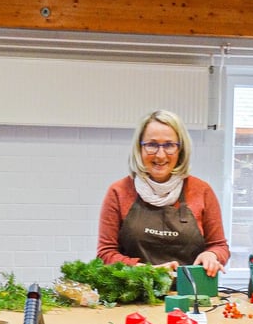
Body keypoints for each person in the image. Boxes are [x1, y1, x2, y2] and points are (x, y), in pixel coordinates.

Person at [97, 109, 230, 277]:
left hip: (192, 296)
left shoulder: (202, 191)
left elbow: (220, 246)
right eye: (152, 145)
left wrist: (212, 255)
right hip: (134, 298)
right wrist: (146, 272)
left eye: (169, 145)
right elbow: (105, 254)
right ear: (140, 148)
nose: (160, 155)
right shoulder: (119, 192)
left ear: (181, 149)